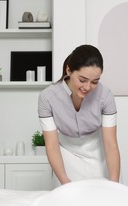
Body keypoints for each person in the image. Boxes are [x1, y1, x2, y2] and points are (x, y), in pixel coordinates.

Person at [37, 44, 121, 185]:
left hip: (100, 153)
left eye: (95, 82)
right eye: (82, 80)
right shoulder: (47, 98)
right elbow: (51, 144)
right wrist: (64, 182)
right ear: (69, 70)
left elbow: (110, 143)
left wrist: (115, 185)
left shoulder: (105, 96)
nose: (88, 87)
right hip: (65, 155)